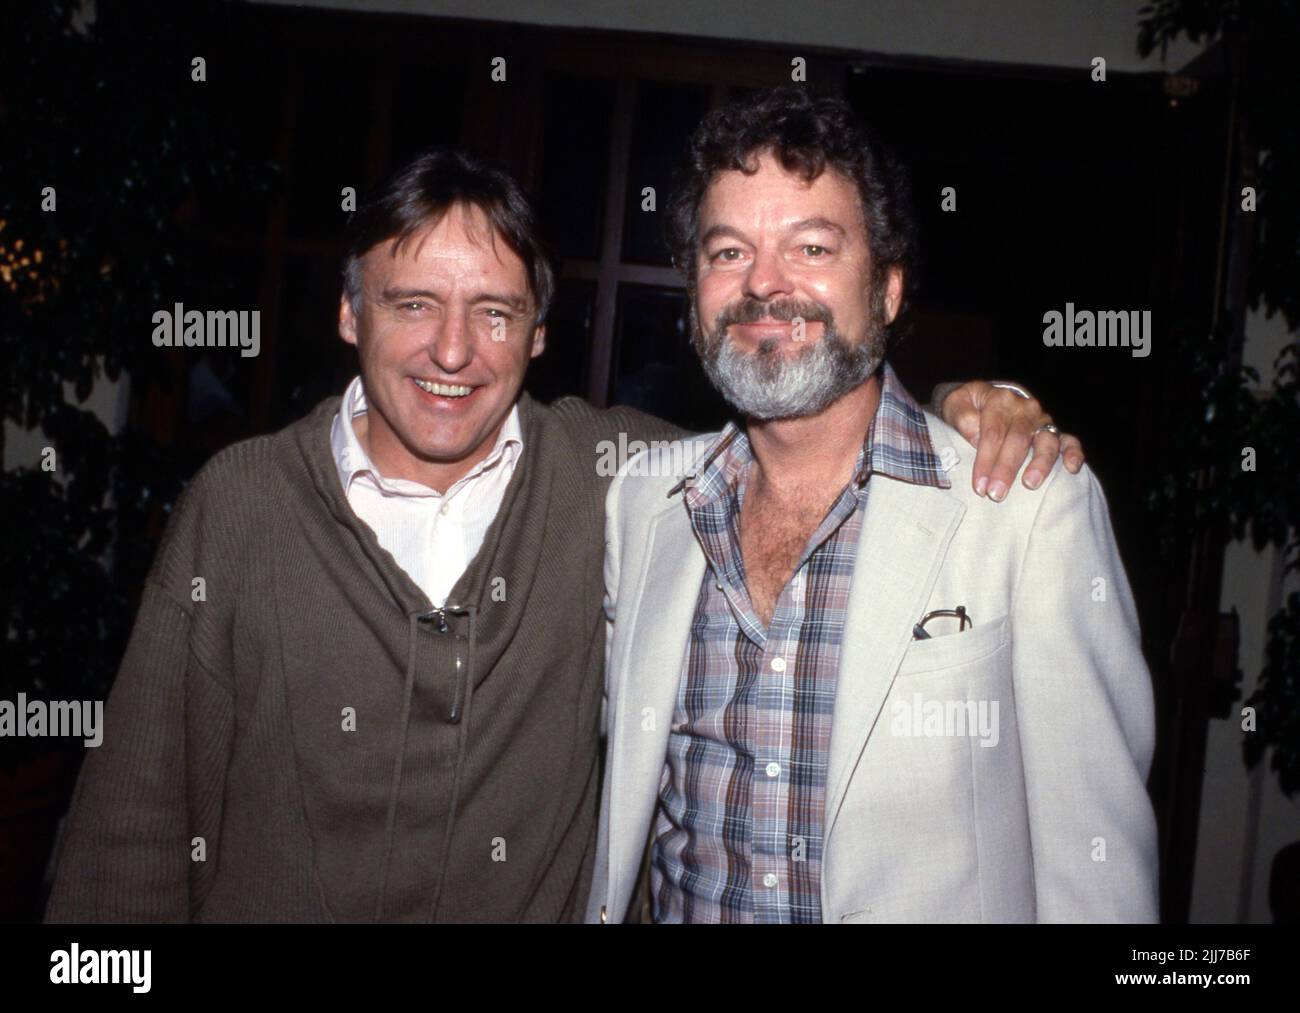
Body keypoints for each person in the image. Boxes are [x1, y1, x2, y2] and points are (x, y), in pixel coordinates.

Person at [45, 146, 1079, 923]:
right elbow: (127, 831)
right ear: (352, 314)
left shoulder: (617, 483)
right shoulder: (243, 503)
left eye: (494, 313)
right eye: (414, 303)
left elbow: (808, 434)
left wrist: (965, 400)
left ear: (538, 338)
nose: (453, 349)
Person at [587, 88, 1157, 924]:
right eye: (728, 252)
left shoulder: (1028, 507)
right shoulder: (641, 506)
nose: (765, 284)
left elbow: (1097, 872)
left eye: (811, 246)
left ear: (887, 291)